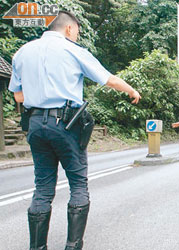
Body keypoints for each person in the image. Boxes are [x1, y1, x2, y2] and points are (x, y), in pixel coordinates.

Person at [8, 11, 141, 250]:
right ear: (69, 29)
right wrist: (132, 91)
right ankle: (73, 246)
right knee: (78, 185)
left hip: (36, 125)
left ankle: (37, 247)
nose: (77, 35)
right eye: (77, 31)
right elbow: (108, 79)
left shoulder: (22, 53)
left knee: (43, 188)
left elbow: (18, 96)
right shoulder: (73, 50)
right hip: (66, 124)